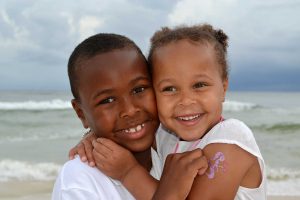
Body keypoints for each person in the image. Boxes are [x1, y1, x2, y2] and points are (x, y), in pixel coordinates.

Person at [71, 24, 267, 200]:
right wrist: (94, 135)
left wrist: (128, 172)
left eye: (199, 85)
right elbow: (129, 129)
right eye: (169, 89)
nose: (186, 101)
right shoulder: (166, 137)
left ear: (224, 87)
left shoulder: (231, 140)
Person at [52, 33, 208, 200]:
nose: (130, 110)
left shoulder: (172, 149)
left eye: (139, 90)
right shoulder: (79, 181)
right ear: (81, 113)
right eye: (107, 100)